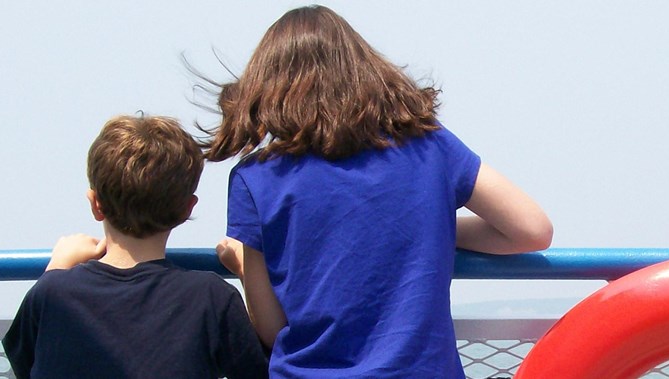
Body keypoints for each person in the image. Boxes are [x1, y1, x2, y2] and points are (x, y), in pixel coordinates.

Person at [203, 5, 553, 378]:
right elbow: (532, 230)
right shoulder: (428, 146)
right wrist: (428, 229)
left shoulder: (255, 177)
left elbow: (273, 330)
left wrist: (242, 266)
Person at [1, 115, 267, 379]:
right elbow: (259, 370)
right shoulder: (212, 297)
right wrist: (247, 270)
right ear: (187, 209)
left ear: (95, 204)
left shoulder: (53, 293)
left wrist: (56, 268)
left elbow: (24, 360)